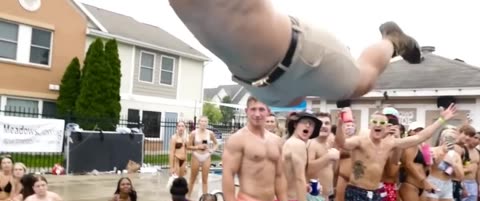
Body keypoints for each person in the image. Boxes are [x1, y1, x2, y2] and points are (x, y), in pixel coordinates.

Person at [169, 0, 421, 108]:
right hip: (260, 87)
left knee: (362, 81)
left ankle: (392, 41)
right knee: (295, 103)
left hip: (303, 55)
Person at [222, 96, 291, 201]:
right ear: (246, 112)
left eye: (261, 109)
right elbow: (228, 176)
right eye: (253, 109)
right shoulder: (238, 139)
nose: (257, 114)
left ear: (268, 111)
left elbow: (279, 176)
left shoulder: (276, 141)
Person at [456, 125, 480, 201]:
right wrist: (466, 170)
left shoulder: (477, 152)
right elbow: (454, 168)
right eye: (473, 137)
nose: (475, 140)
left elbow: (478, 170)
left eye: (477, 138)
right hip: (463, 183)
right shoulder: (461, 150)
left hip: (473, 184)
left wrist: (478, 184)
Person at [187, 116, 218, 198]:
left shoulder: (210, 133)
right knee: (192, 179)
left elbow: (216, 143)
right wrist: (197, 147)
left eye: (205, 121)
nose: (203, 123)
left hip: (206, 156)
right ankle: (188, 198)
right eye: (202, 121)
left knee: (205, 180)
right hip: (196, 156)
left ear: (207, 123)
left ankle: (205, 199)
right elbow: (188, 146)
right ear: (199, 122)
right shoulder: (193, 133)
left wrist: (212, 150)